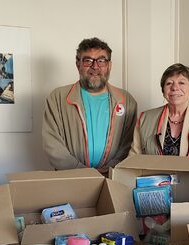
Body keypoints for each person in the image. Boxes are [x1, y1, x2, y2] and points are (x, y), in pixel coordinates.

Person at [42, 38, 137, 174]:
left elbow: (130, 143)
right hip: (71, 178)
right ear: (78, 64)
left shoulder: (127, 100)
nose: (95, 66)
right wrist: (80, 171)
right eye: (88, 61)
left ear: (109, 65)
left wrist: (111, 169)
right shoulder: (57, 98)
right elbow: (52, 144)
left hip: (113, 177)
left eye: (101, 61)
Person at [129, 63, 189, 157]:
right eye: (169, 83)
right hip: (154, 172)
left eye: (181, 83)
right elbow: (133, 159)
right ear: (163, 91)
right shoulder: (145, 118)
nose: (175, 88)